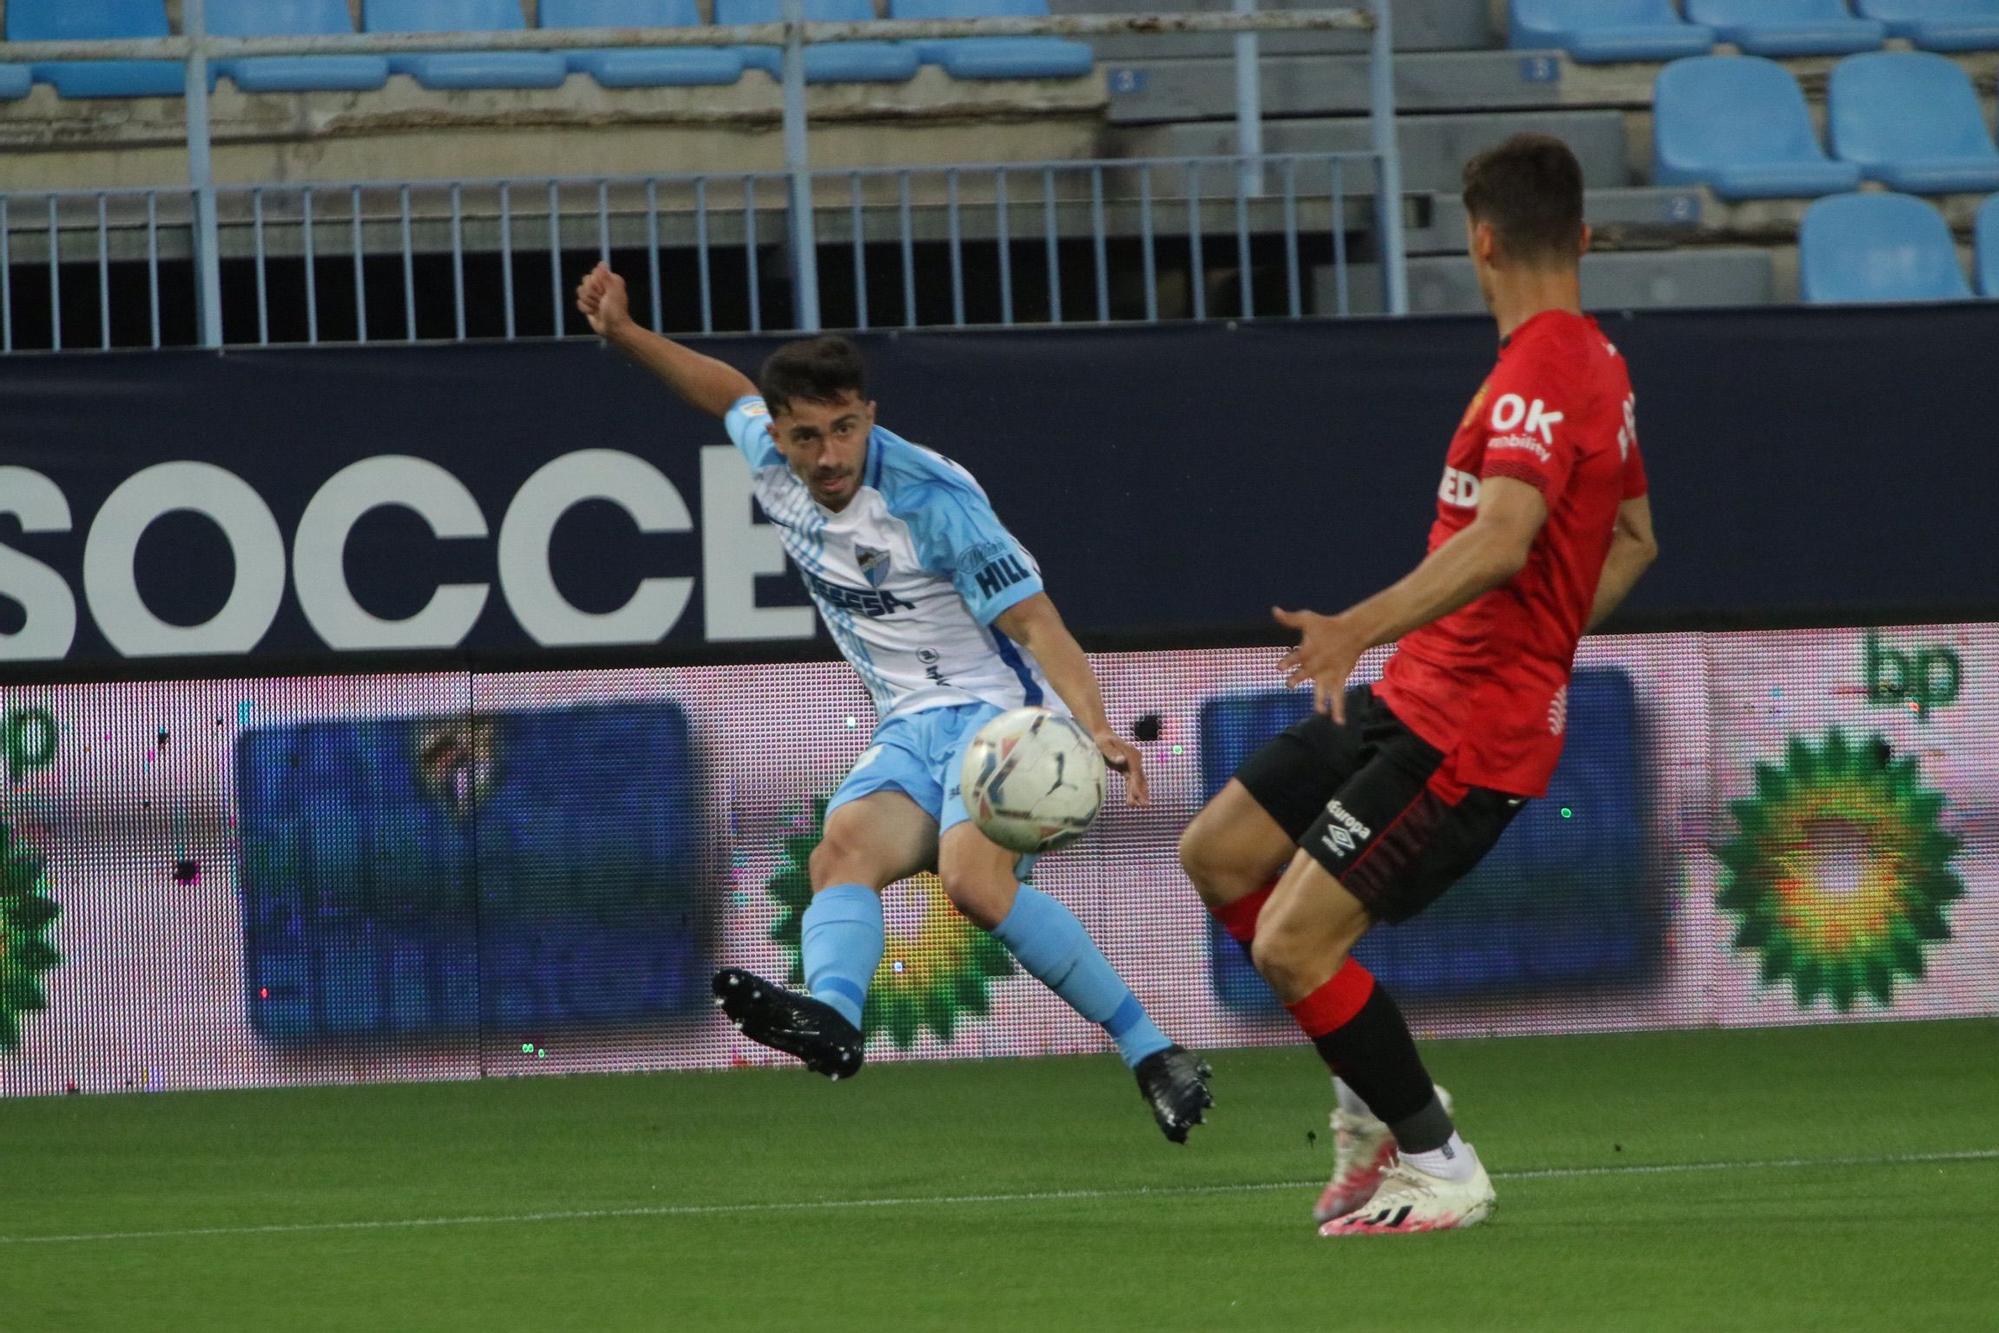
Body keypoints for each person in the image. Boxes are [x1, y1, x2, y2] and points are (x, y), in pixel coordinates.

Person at [575, 262, 1214, 1143]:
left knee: (972, 885)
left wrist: (1098, 726)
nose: (829, 455)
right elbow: (726, 392)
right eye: (808, 436)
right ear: (784, 436)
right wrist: (625, 333)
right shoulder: (769, 452)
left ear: (869, 415)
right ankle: (834, 1018)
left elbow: (1035, 621)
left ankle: (1154, 1050)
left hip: (995, 718)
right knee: (839, 854)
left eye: (845, 428)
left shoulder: (930, 502)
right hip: (908, 724)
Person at [1177, 133, 1659, 1233]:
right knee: (1216, 852)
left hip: (1463, 729)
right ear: (1580, 237)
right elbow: (1632, 537)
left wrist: (1356, 628)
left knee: (1291, 942)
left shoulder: (1538, 370)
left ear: (1475, 241)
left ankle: (1439, 1160)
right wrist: (1536, 644)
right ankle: (1371, 1082)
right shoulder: (1595, 363)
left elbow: (1498, 542)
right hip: (1421, 694)